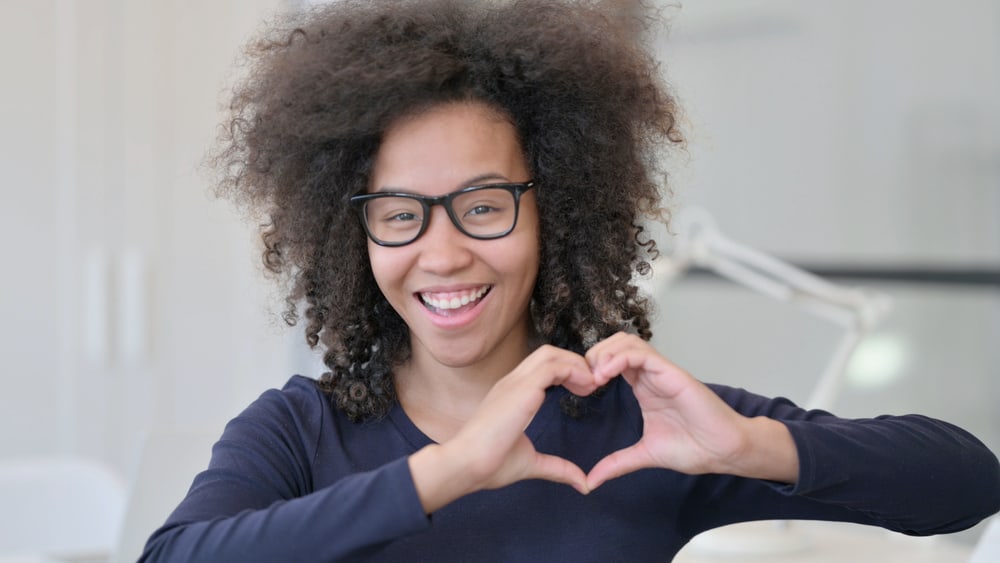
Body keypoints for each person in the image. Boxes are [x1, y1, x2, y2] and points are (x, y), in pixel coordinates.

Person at [140, 0, 1000, 561]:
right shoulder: (301, 428)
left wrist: (749, 445)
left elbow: (967, 480)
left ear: (555, 207)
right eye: (401, 213)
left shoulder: (639, 425)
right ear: (351, 230)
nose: (441, 254)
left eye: (483, 205)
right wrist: (452, 469)